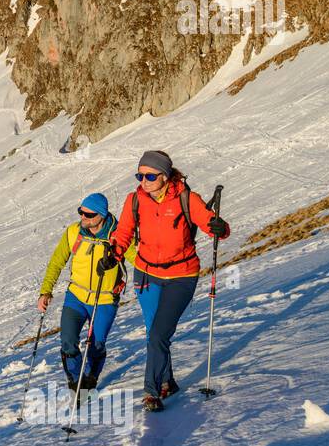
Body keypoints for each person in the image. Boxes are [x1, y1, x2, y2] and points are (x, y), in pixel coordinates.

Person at [98, 150, 230, 412]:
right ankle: (167, 381)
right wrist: (114, 253)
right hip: (146, 273)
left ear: (165, 176)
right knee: (154, 333)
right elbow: (123, 232)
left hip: (181, 275)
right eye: (140, 175)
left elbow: (212, 225)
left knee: (159, 333)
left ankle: (152, 391)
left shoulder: (186, 198)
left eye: (149, 175)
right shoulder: (135, 200)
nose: (143, 180)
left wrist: (219, 227)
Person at [37, 193, 135, 391]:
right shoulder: (74, 232)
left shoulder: (118, 236)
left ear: (102, 215)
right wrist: (46, 291)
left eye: (88, 215)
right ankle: (75, 382)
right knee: (68, 341)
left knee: (96, 344)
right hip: (76, 296)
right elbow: (57, 261)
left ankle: (90, 378)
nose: (83, 218)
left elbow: (140, 260)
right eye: (81, 213)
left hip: (105, 299)